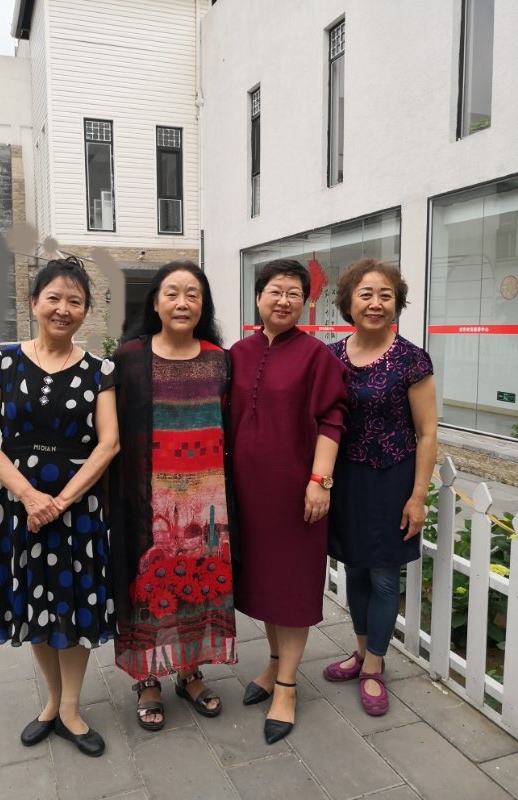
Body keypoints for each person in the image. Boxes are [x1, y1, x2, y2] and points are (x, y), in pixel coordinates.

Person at [0, 256, 119, 757]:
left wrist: (62, 500)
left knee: (74, 606)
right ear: (34, 302)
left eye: (74, 301)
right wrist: (31, 497)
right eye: (53, 298)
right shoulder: (3, 362)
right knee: (34, 600)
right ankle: (52, 703)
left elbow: (109, 443)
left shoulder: (100, 371)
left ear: (85, 311)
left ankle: (72, 709)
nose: (63, 308)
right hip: (22, 507)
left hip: (79, 507)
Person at [108, 260, 237, 732]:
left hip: (207, 498)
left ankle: (189, 672)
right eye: (172, 293)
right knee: (151, 588)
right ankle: (148, 679)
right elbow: (111, 428)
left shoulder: (220, 359)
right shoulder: (129, 358)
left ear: (204, 305)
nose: (182, 303)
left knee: (199, 587)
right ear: (156, 303)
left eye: (192, 294)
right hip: (148, 499)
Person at [229, 258, 348, 744]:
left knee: (293, 590)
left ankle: (286, 686)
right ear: (258, 297)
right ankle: (273, 663)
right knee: (264, 586)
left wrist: (320, 480)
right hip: (247, 494)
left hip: (297, 495)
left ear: (305, 302)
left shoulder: (317, 356)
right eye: (275, 291)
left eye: (294, 293)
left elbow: (332, 419)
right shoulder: (237, 353)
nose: (283, 300)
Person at [323, 258, 437, 716]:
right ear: (349, 302)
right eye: (366, 294)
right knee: (354, 569)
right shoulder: (331, 356)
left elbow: (427, 431)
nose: (375, 303)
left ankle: (374, 665)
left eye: (385, 295)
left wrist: (418, 496)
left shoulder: (411, 359)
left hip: (393, 478)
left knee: (385, 577)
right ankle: (360, 651)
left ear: (397, 303)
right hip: (347, 478)